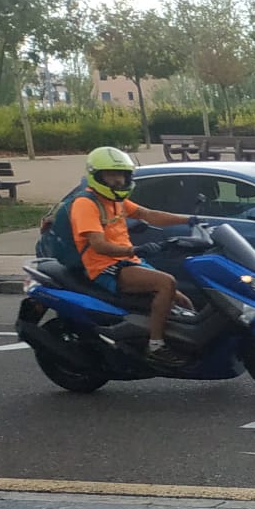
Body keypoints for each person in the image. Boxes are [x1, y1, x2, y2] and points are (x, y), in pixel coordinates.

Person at [65, 146, 195, 359]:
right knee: (166, 283)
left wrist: (188, 220)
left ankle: (185, 343)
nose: (118, 181)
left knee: (182, 301)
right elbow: (98, 245)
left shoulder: (116, 201)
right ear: (97, 175)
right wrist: (134, 249)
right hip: (105, 267)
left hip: (127, 262)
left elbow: (148, 214)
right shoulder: (86, 204)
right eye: (111, 175)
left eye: (122, 175)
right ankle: (156, 346)